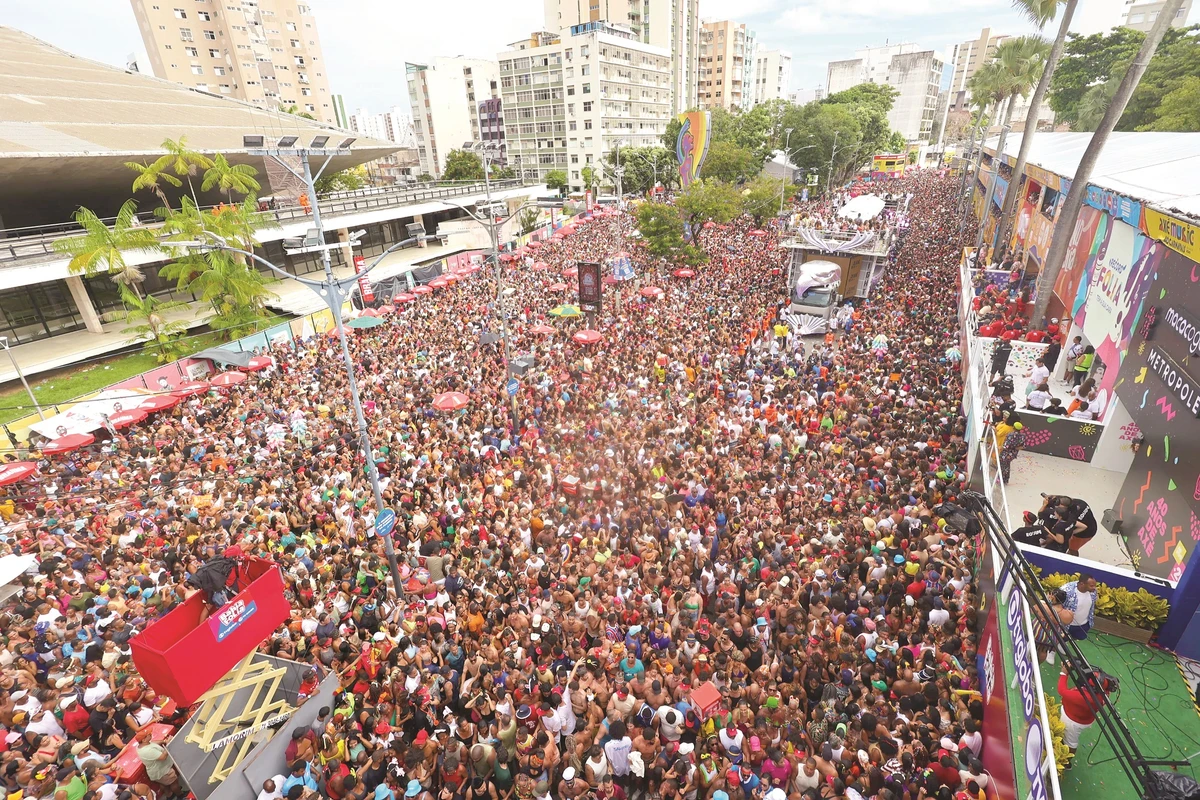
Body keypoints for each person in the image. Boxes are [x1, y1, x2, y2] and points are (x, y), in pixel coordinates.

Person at [1058, 667, 1114, 767]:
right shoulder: (1104, 693)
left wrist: (1064, 673)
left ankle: (1066, 762)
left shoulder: (1086, 698)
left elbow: (1062, 690)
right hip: (1083, 718)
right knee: (1066, 736)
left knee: (1070, 742)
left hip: (1073, 721)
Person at [1061, 574, 1098, 640]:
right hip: (1067, 626)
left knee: (1079, 638)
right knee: (1061, 641)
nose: (1094, 588)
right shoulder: (1066, 590)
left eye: (1095, 585)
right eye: (1092, 586)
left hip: (1083, 625)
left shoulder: (1093, 592)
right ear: (1082, 584)